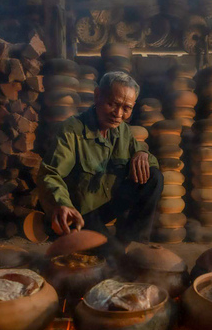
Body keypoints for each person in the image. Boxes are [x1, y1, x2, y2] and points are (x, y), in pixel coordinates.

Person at [37, 71, 163, 246]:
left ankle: (135, 241)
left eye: (126, 108)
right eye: (112, 104)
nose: (118, 114)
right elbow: (50, 174)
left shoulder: (123, 131)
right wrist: (62, 203)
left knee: (154, 176)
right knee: (113, 257)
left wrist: (142, 154)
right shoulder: (72, 130)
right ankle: (108, 246)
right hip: (81, 214)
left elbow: (146, 158)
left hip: (107, 207)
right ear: (97, 96)